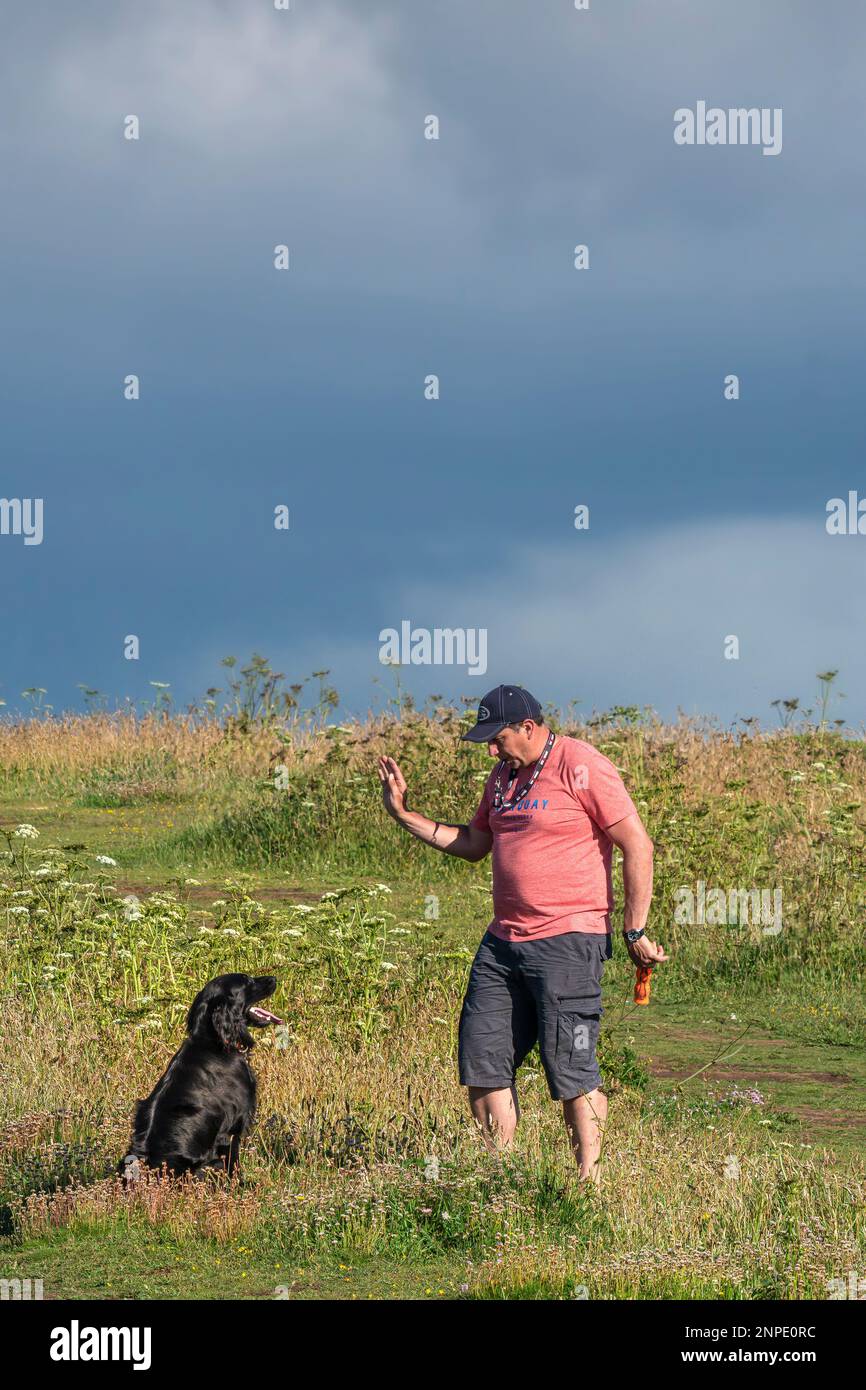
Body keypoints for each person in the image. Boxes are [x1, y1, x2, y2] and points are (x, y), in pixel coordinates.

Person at [378, 683, 667, 1181]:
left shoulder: (581, 765)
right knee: (483, 1057)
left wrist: (634, 927)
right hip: (503, 943)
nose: (491, 749)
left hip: (570, 940)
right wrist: (404, 814)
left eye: (498, 738)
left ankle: (588, 1185)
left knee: (571, 1062)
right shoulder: (502, 777)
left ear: (529, 728)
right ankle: (501, 1179)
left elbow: (636, 844)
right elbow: (473, 844)